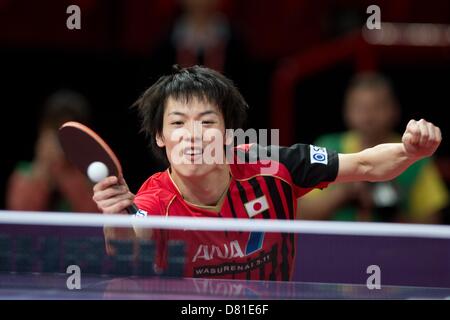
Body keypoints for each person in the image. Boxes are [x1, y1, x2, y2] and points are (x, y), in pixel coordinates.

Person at [92, 65, 442, 281]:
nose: (193, 135)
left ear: (229, 133)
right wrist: (114, 216)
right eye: (178, 123)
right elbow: (128, 241)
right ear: (160, 136)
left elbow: (365, 164)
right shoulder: (155, 199)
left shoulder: (274, 167)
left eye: (207, 122)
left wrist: (410, 151)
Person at [298, 73, 448, 223]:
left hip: (393, 246)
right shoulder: (327, 147)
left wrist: (389, 208)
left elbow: (432, 224)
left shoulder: (416, 153)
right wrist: (344, 193)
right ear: (347, 111)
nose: (368, 116)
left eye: (377, 107)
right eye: (360, 108)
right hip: (332, 245)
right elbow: (300, 214)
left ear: (394, 110)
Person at [6, 90, 98, 213]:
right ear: (43, 130)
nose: (61, 140)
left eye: (69, 132)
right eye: (56, 129)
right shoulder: (24, 173)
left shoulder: (90, 176)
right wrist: (44, 168)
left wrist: (64, 173)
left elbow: (89, 217)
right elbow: (20, 219)